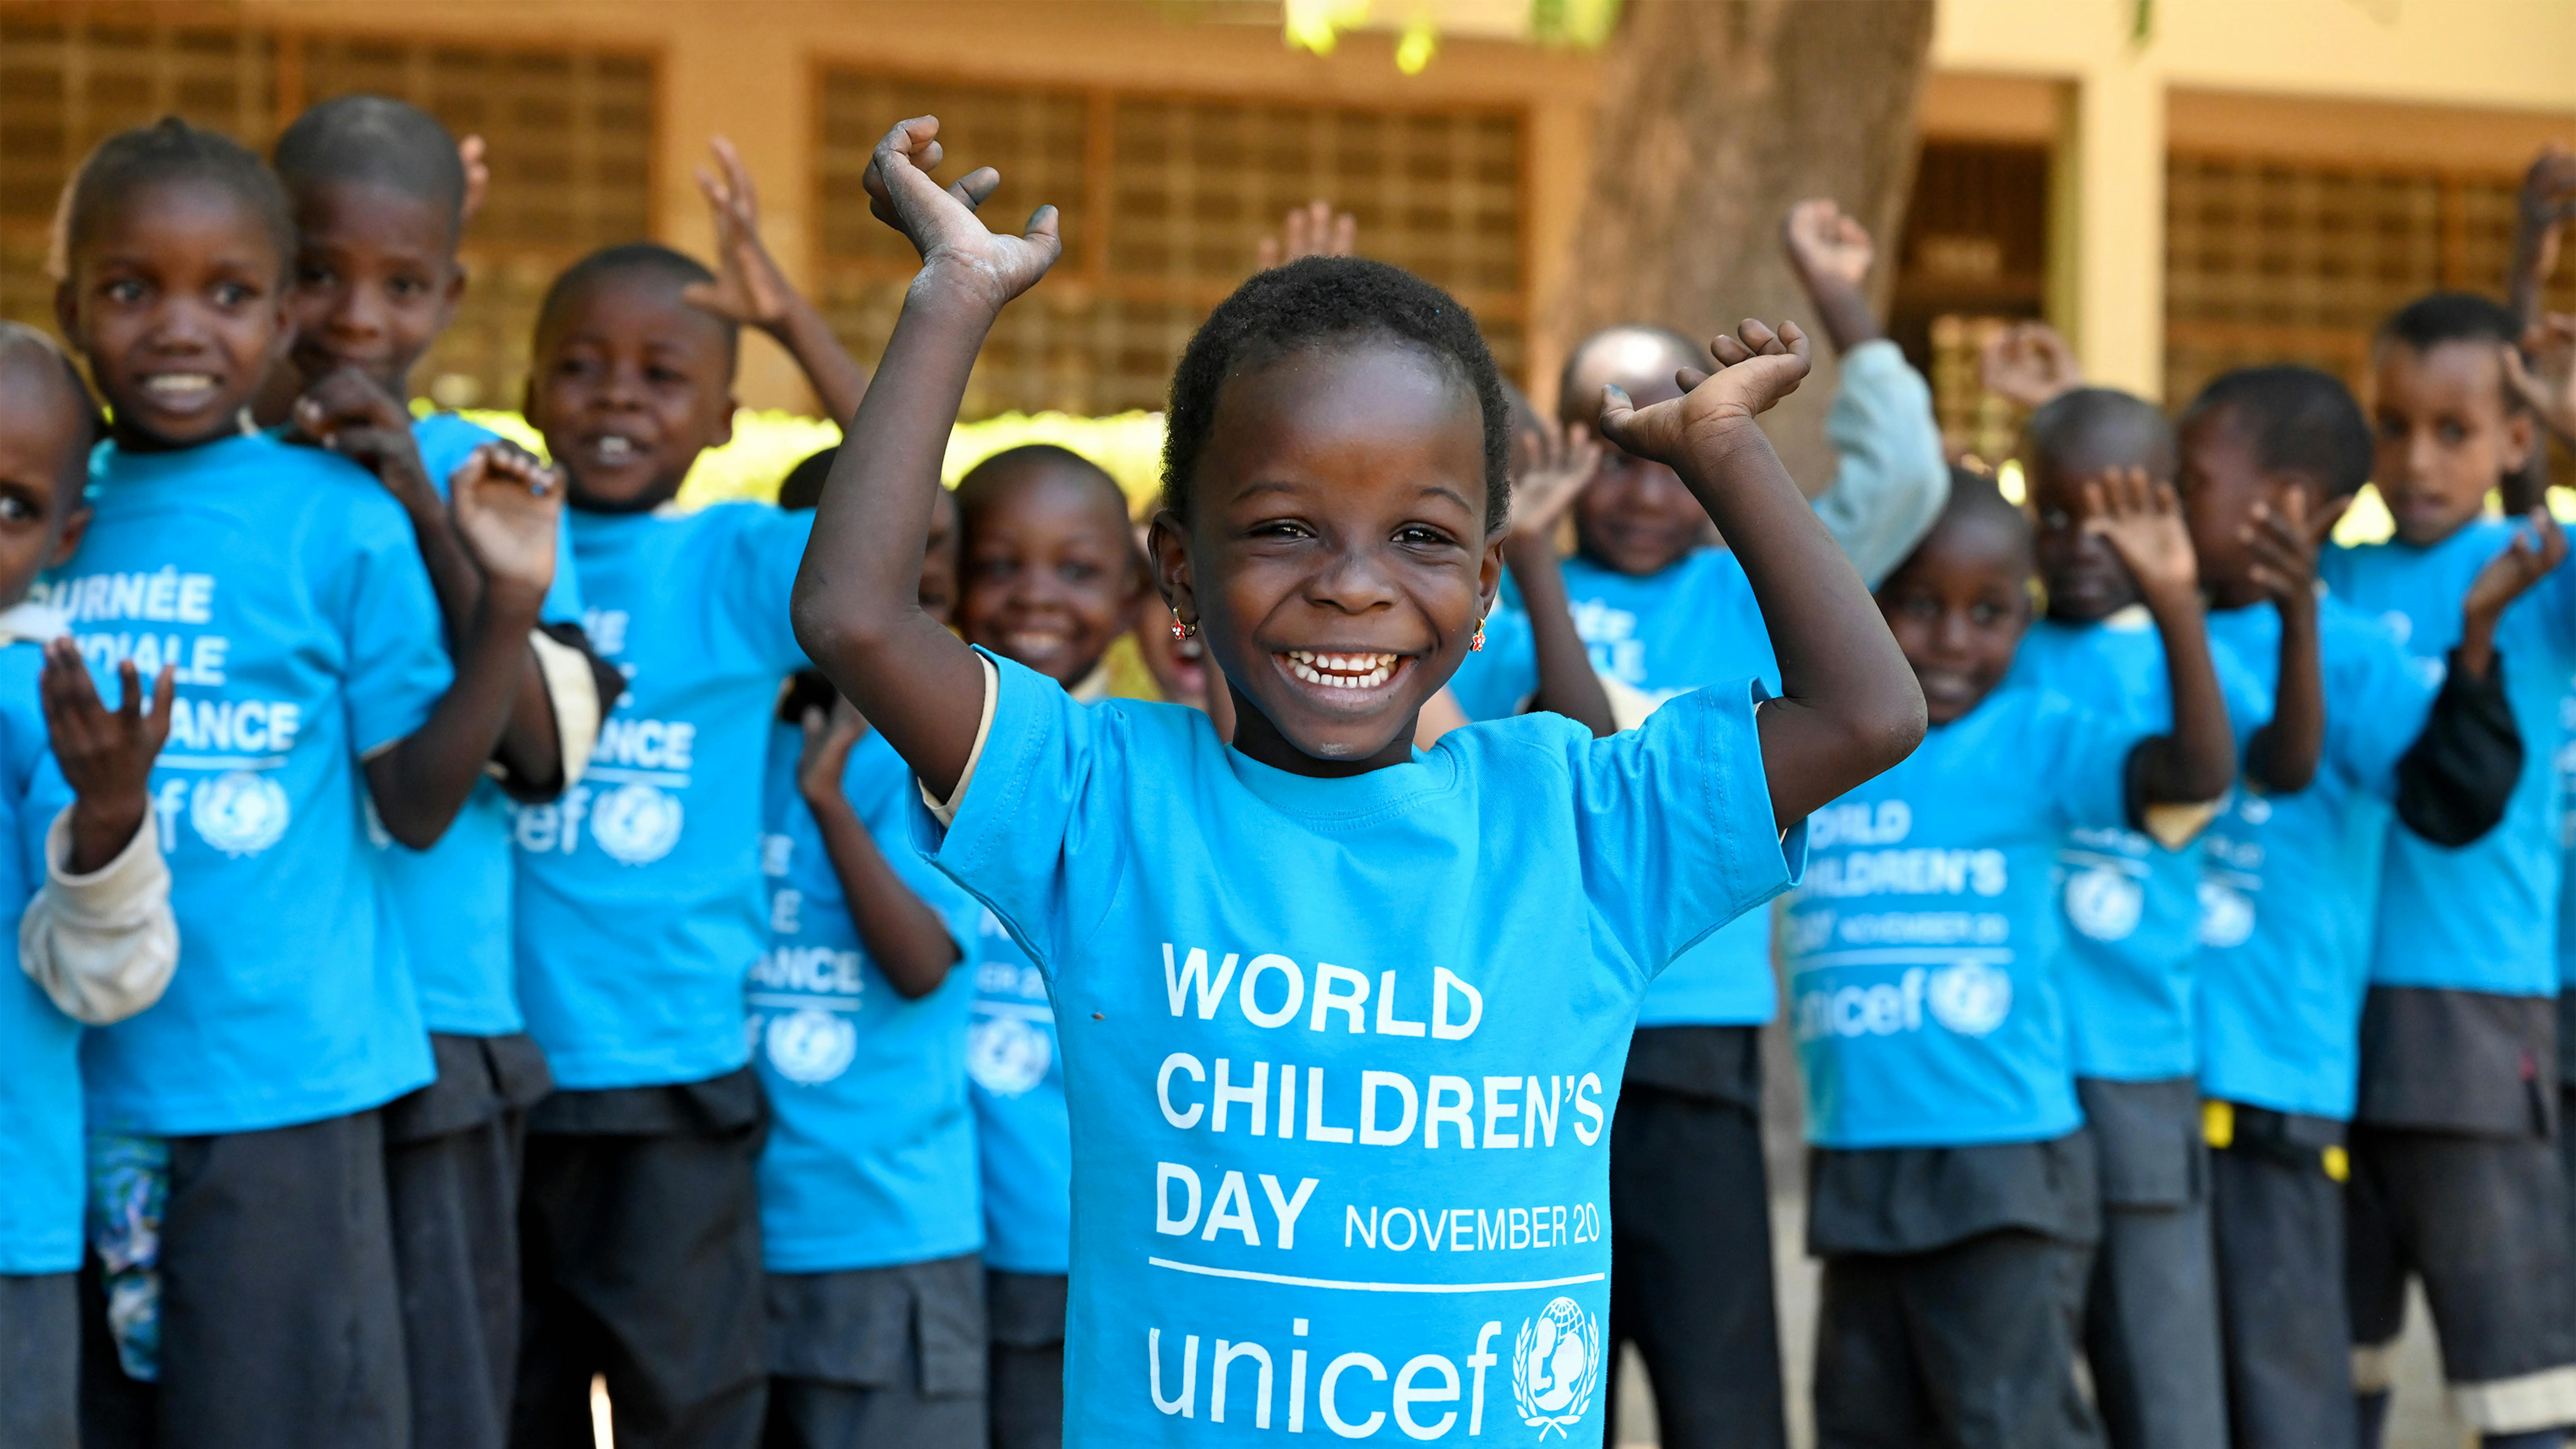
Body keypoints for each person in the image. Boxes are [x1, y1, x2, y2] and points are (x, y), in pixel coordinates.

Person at [791, 112, 1923, 1449]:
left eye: (1421, 536)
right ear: (1177, 576)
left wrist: (1725, 446)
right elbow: (859, 617)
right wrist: (950, 298)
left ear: (1489, 584)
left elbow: (1864, 710)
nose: (1350, 583)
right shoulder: (1101, 806)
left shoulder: (1575, 822)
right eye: (1281, 529)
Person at [48, 117, 561, 1449]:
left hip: (288, 1088)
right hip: (76, 1080)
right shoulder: (48, 507)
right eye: (129, 289)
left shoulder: (338, 515)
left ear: (282, 320)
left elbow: (417, 805)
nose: (177, 329)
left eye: (226, 295)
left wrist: (505, 608)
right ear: (68, 309)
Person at [1446, 197, 1948, 1449]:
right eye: (1597, 445)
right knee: (1545, 1386)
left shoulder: (1754, 584)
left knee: (1721, 1386)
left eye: (1652, 441)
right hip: (1533, 1046)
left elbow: (1904, 481)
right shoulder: (1487, 611)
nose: (1629, 483)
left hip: (1695, 1052)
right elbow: (1577, 757)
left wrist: (1839, 303)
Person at [506, 146, 871, 1449]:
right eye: (583, 368)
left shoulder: (729, 565)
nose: (618, 398)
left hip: (673, 1082)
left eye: (663, 377)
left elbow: (912, 520)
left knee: (691, 1407)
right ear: (530, 391)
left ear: (723, 417)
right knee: (508, 1402)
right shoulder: (492, 542)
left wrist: (788, 320)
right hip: (500, 1079)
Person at [267, 93, 613, 1449]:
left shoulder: (495, 473)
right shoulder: (210, 470)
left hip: (439, 1021)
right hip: (251, 1027)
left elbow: (546, 750)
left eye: (401, 285)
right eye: (315, 272)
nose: (357, 318)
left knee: (440, 1396)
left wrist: (423, 499)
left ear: (451, 296)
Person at [1795, 464, 2234, 1449]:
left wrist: (2173, 605)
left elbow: (2194, 777)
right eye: (1915, 605)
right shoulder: (1818, 748)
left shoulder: (2035, 739)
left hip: (2006, 1165)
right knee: (1861, 1425)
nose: (1953, 641)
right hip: (1858, 1158)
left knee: (2009, 1425)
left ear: (2026, 619)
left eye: (1989, 613)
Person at [2178, 363, 2543, 1449]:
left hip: (2269, 1093)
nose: (2166, 496)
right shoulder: (2142, 632)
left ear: (2291, 508)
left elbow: (2457, 791)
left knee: (2285, 1382)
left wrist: (2474, 651)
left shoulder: (2353, 656)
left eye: (2189, 479)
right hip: (2135, 1089)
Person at [2323, 291, 2576, 1449]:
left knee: (2520, 1378)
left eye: (2454, 431)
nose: (2416, 460)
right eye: (2393, 425)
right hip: (2321, 1016)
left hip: (2475, 1010)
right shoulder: (2336, 579)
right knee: (2333, 1361)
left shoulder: (2536, 565)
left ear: (2515, 442)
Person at [2006, 386, 2271, 1449]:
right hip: (2013, 1073)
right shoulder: (1996, 645)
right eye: (2057, 514)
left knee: (2161, 1368)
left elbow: (2226, 767)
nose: (2078, 544)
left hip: (2138, 1066)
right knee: (2022, 1358)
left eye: (2111, 514)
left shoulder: (2197, 657)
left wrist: (2176, 607)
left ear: (2164, 512)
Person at [754, 481, 989, 1445]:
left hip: (888, 1237)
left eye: (934, 544)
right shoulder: (743, 742)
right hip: (740, 1232)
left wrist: (830, 802)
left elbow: (925, 962)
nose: (907, 563)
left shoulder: (939, 756)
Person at [0, 323, 180, 1449]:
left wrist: (110, 819)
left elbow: (106, 980)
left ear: (64, 537)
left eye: (7, 506)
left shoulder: (40, 709)